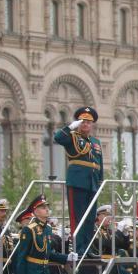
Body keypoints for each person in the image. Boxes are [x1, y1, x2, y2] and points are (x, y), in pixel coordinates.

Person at [54, 106, 103, 257]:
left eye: (88, 122)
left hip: (92, 183)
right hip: (77, 181)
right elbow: (57, 138)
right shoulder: (72, 137)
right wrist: (70, 127)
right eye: (82, 122)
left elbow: (99, 163)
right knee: (78, 216)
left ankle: (87, 248)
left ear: (92, 124)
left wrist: (100, 181)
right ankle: (78, 248)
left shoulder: (95, 141)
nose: (85, 125)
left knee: (90, 218)